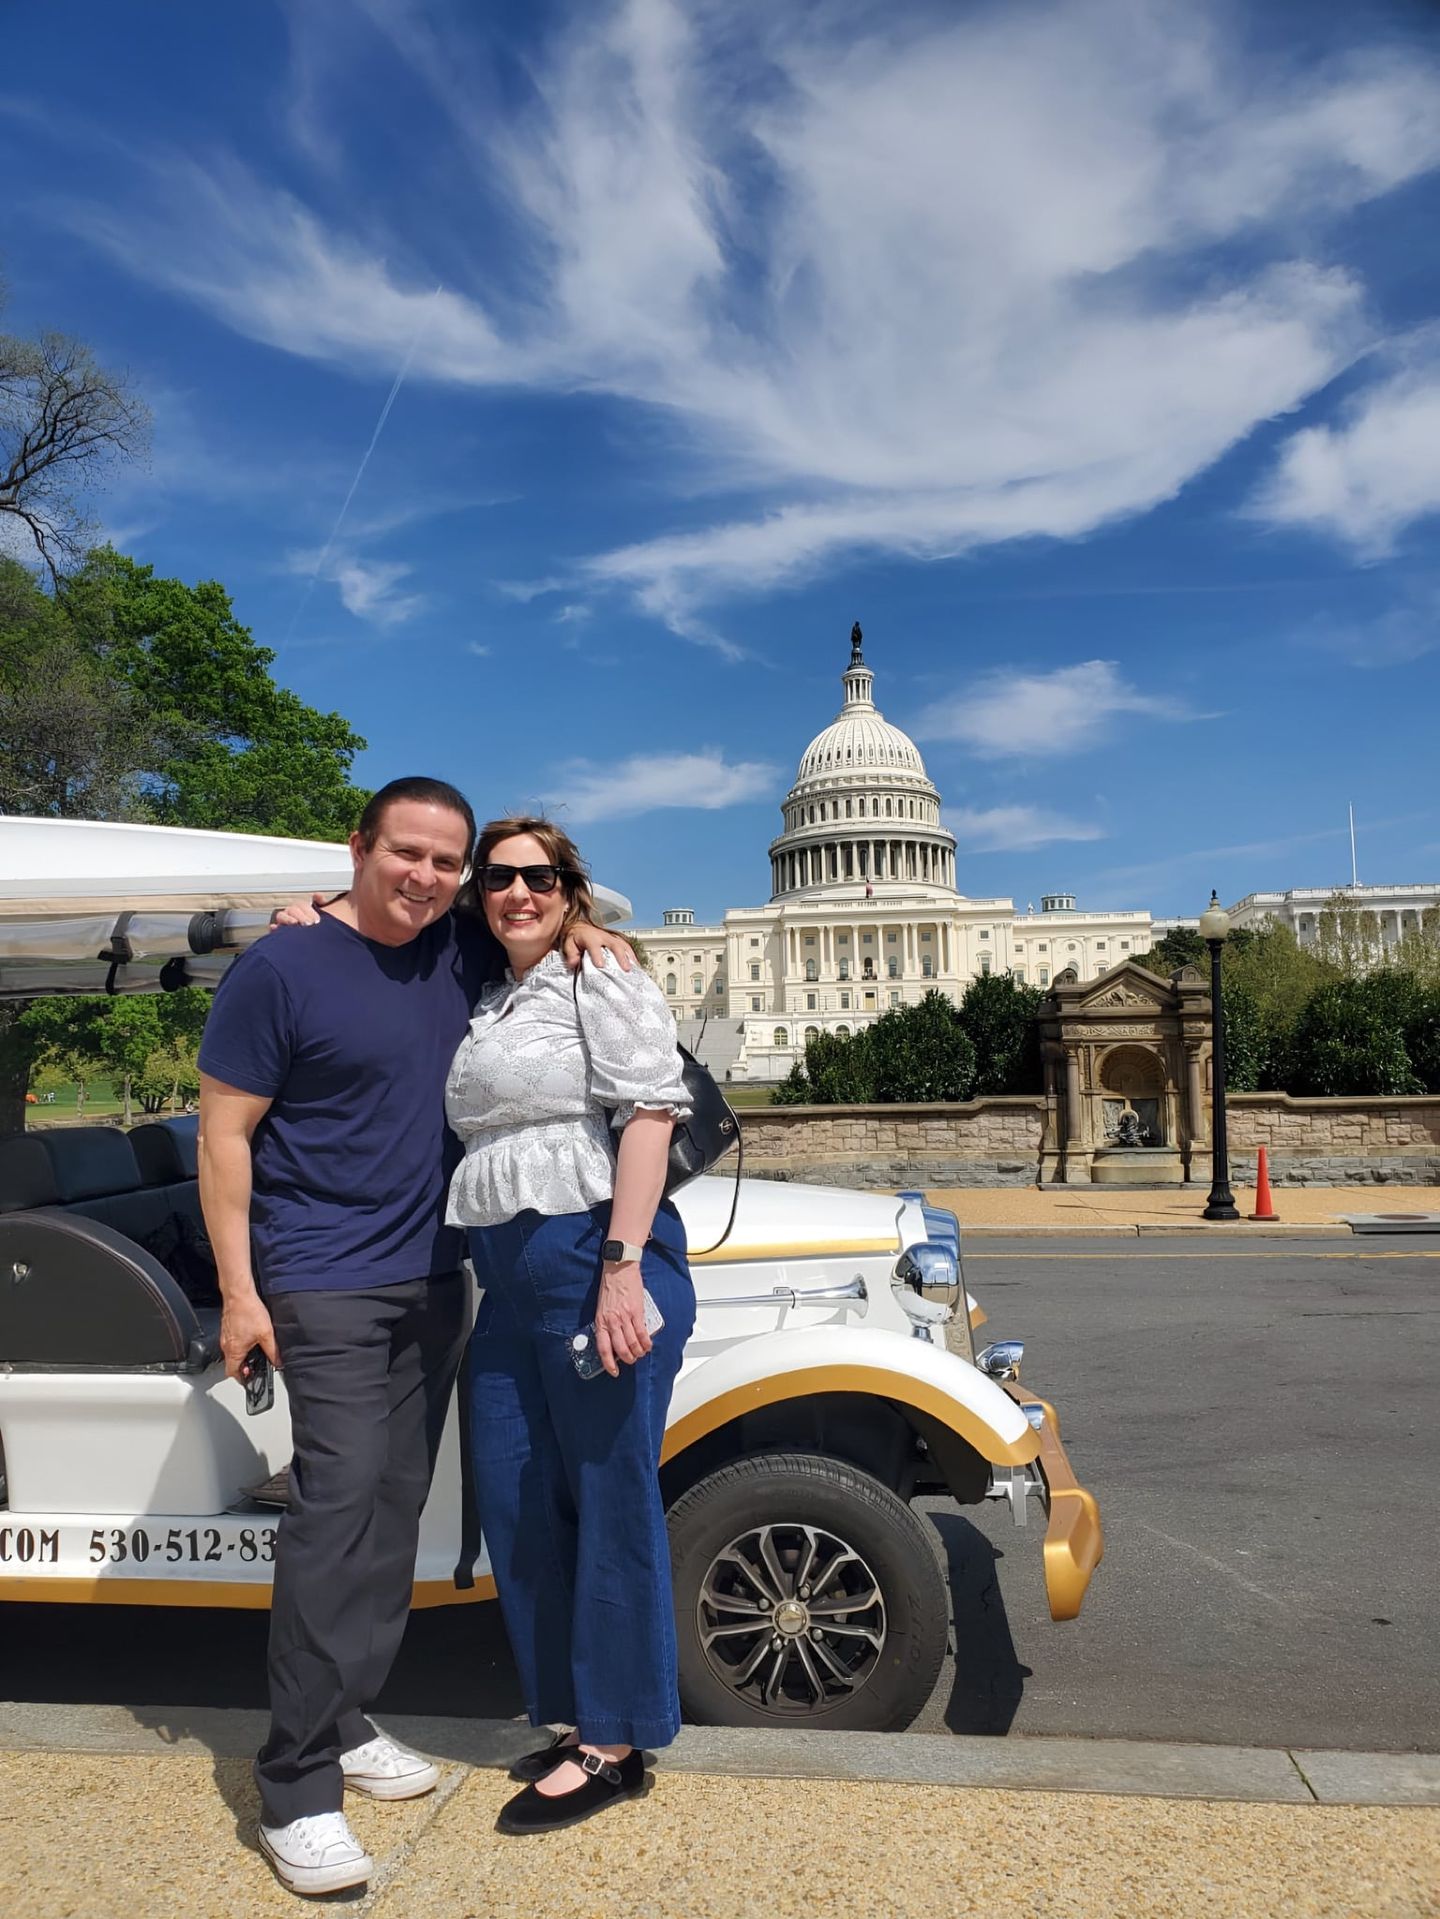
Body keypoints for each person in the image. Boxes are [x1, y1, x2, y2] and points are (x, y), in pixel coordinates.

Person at [197, 777, 629, 1899]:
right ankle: (294, 1784)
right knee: (336, 1518)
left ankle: (342, 1718)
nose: (432, 878)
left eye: (452, 864)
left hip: (435, 1274)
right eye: (412, 855)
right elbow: (225, 1138)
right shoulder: (278, 967)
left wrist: (586, 924)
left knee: (392, 1516)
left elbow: (539, 924)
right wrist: (241, 1295)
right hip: (323, 1282)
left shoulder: (459, 955)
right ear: (359, 848)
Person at [445, 815, 695, 1835]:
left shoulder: (603, 976)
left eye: (538, 876)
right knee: (514, 1494)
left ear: (569, 886)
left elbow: (651, 1112)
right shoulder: (490, 993)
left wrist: (622, 1269)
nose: (518, 892)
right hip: (506, 1275)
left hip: (595, 1251)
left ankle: (618, 1738)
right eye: (499, 877)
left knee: (607, 1494)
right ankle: (573, 1710)